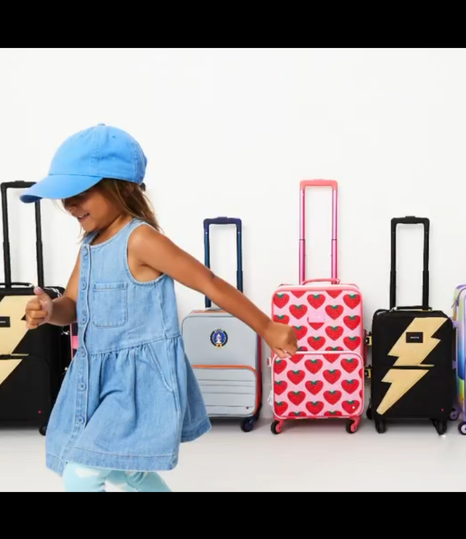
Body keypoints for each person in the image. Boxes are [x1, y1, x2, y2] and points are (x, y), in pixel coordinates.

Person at [20, 124, 298, 492]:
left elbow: (208, 283)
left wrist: (266, 326)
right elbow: (71, 305)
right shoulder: (89, 245)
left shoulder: (141, 240)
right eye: (64, 196)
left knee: (81, 474)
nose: (70, 205)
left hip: (136, 384)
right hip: (95, 381)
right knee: (124, 470)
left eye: (80, 193)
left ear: (119, 187)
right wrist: (48, 310)